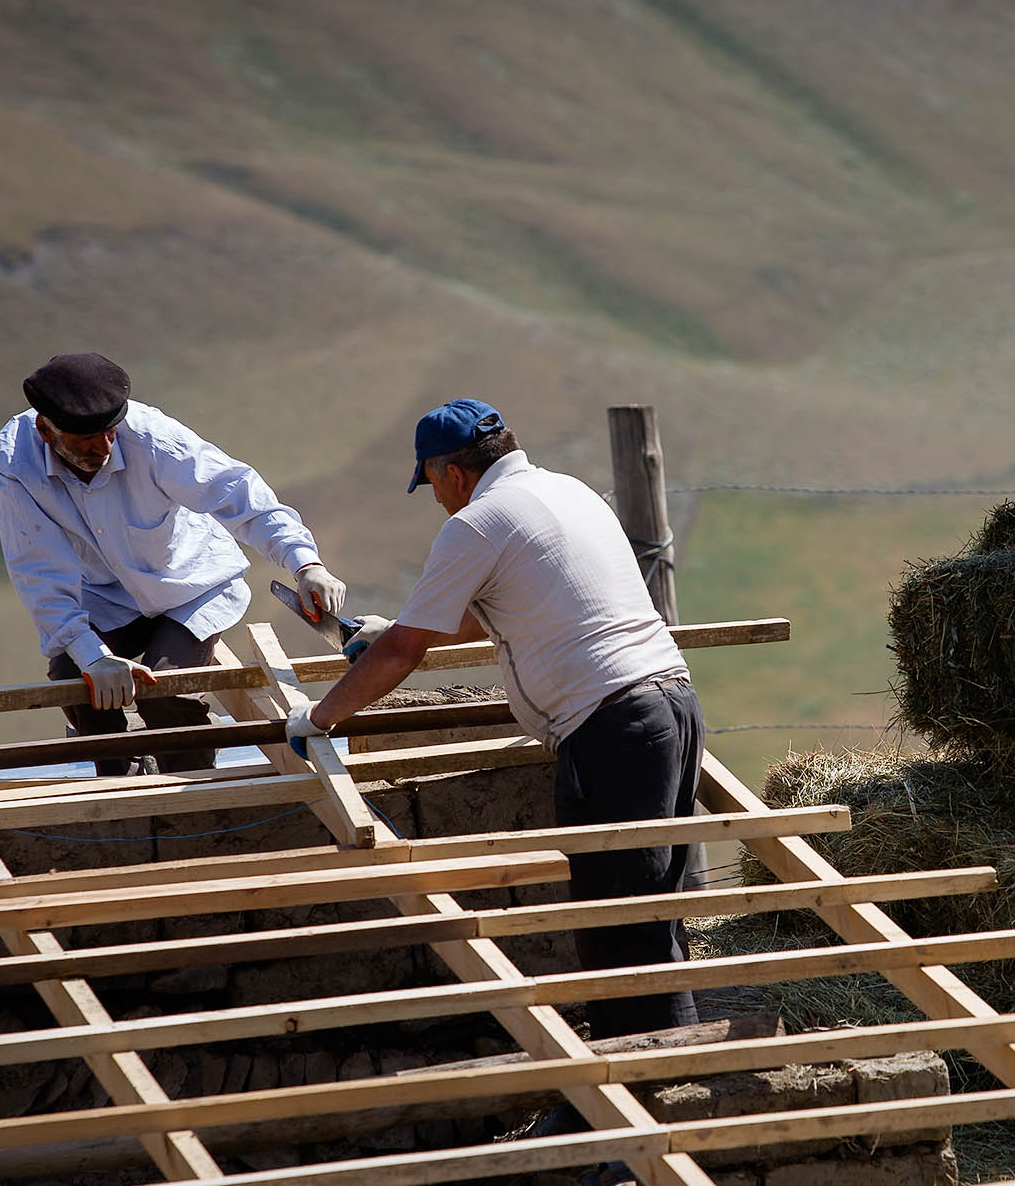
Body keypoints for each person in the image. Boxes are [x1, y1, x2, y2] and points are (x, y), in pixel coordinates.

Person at [286, 398, 704, 1040]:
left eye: (431, 487)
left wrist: (319, 718)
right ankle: (657, 1069)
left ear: (451, 474)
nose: (438, 501)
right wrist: (392, 628)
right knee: (651, 911)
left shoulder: (476, 523)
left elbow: (404, 654)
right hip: (670, 704)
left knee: (623, 927)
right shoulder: (569, 492)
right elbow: (495, 609)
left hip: (612, 727)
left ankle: (655, 1086)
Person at [0, 351, 346, 774]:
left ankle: (193, 794)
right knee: (77, 681)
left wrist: (305, 564)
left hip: (187, 586)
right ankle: (122, 786)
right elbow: (38, 568)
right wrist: (92, 656)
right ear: (46, 432)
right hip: (104, 596)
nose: (102, 448)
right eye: (85, 440)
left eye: (109, 433)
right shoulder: (13, 461)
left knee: (167, 694)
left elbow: (237, 494)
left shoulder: (151, 438)